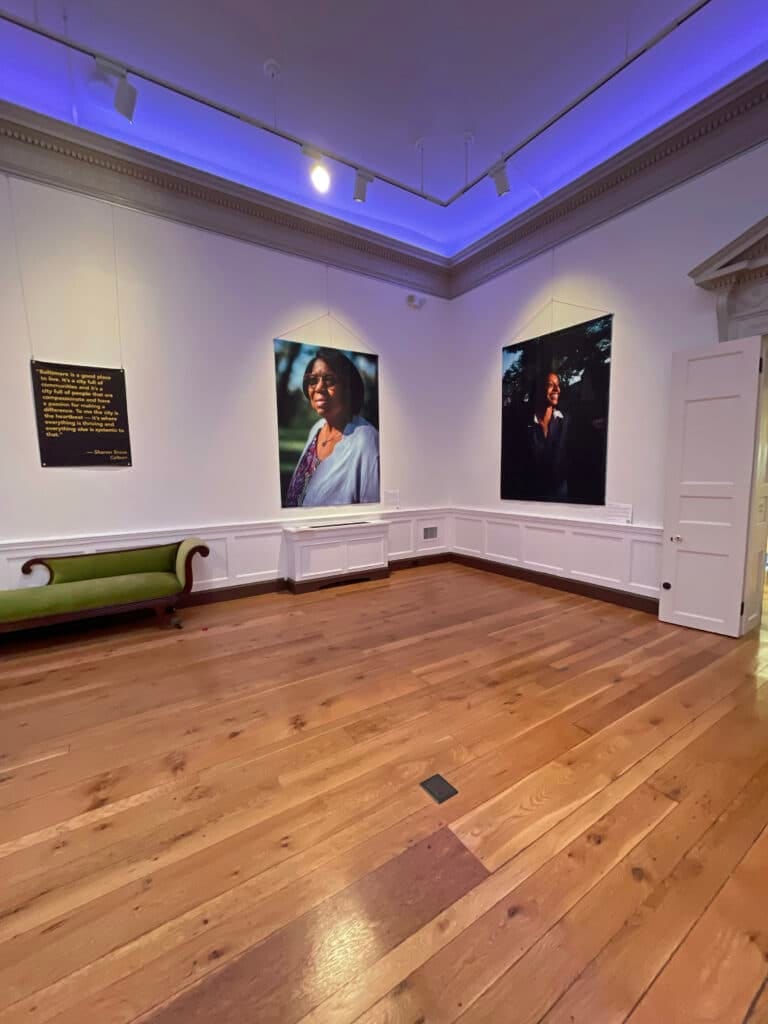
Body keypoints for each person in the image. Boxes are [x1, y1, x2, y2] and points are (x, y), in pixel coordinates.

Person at [285, 348, 380, 507]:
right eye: (312, 380)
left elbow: (373, 512)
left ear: (348, 387)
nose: (319, 387)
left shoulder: (366, 440)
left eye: (329, 380)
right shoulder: (316, 429)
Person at [501, 370, 569, 501]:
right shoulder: (522, 423)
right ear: (538, 389)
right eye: (550, 384)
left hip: (559, 495)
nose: (557, 389)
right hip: (529, 496)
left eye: (558, 385)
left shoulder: (565, 420)